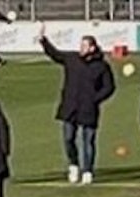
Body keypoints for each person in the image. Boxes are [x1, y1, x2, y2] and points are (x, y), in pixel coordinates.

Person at [38, 25, 116, 185]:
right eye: (80, 45)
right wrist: (43, 40)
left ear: (92, 47)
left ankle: (87, 170)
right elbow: (55, 55)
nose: (81, 48)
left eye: (84, 46)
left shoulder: (101, 66)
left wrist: (95, 99)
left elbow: (109, 87)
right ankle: (73, 165)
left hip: (89, 109)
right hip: (70, 107)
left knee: (88, 141)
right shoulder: (72, 60)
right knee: (68, 139)